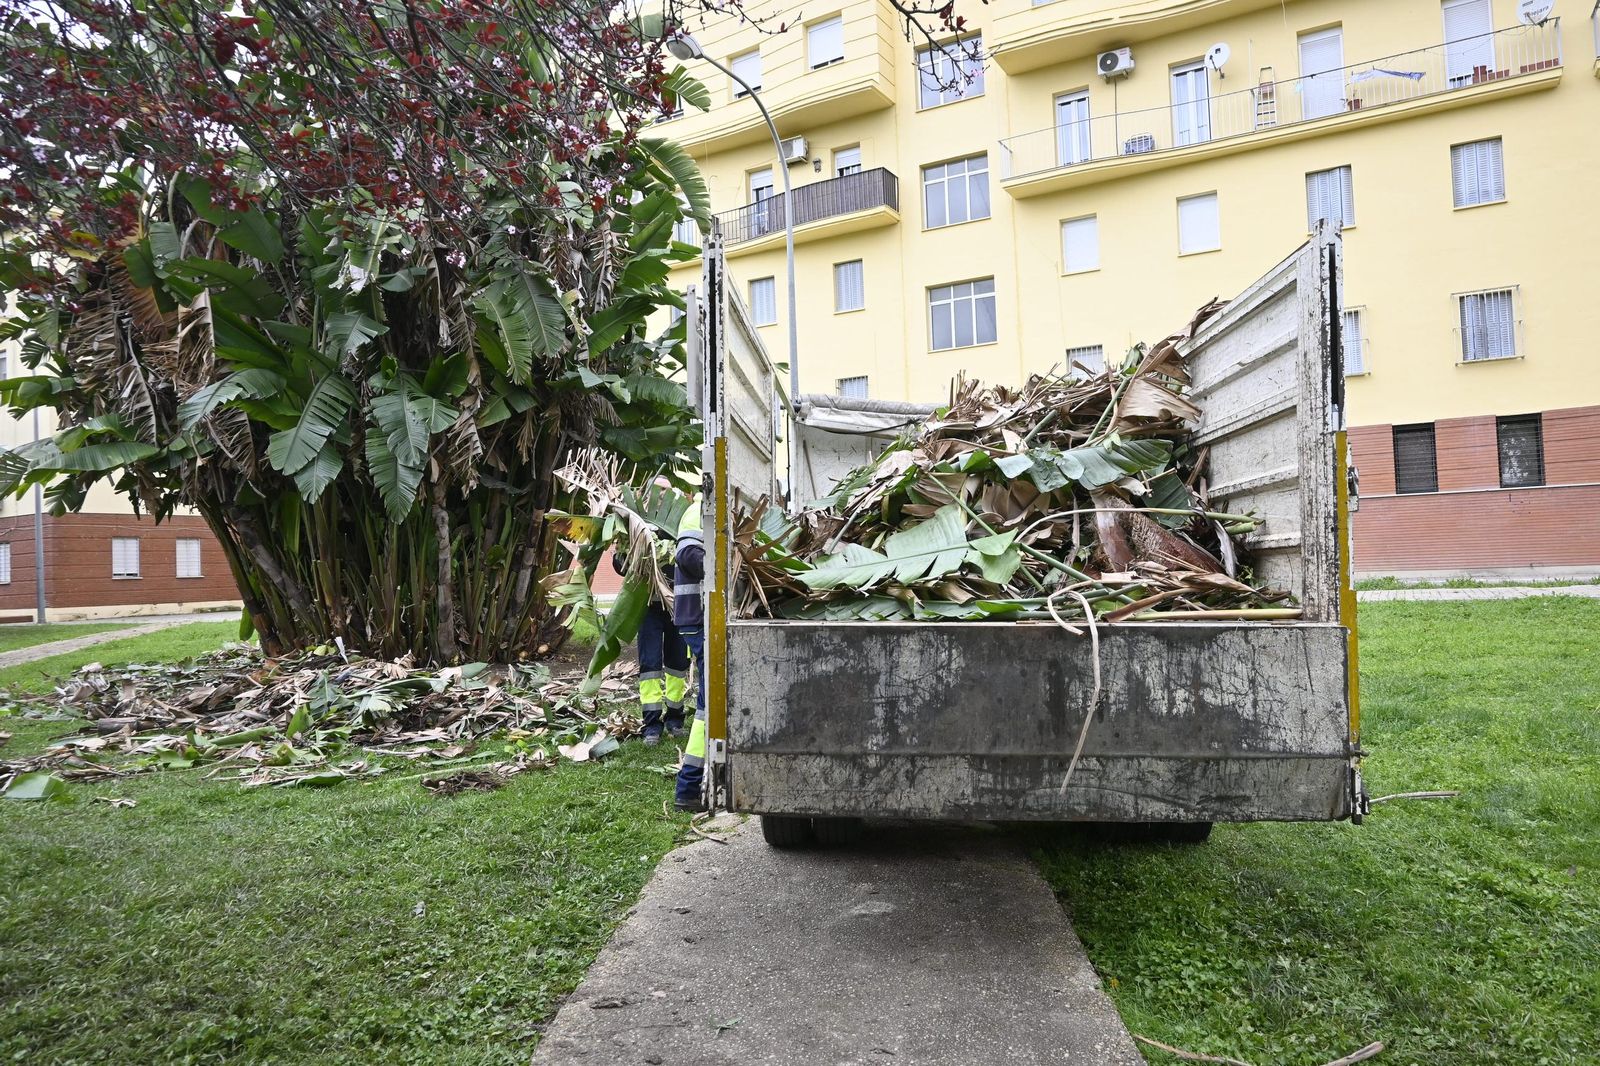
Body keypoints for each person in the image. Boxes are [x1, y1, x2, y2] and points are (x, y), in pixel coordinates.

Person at [613, 531, 688, 745]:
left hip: (678, 606)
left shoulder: (678, 525)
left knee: (678, 664)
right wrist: (622, 549)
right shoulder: (638, 525)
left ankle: (675, 719)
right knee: (650, 666)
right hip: (648, 607)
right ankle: (652, 725)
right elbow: (621, 567)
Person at [672, 496, 706, 812]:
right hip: (698, 619)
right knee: (709, 706)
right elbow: (688, 555)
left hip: (696, 619)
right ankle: (688, 787)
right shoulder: (699, 510)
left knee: (710, 704)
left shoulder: (711, 508)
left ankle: (696, 782)